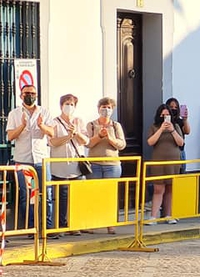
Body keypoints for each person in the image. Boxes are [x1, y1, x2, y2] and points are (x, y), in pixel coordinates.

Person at [6, 84, 54, 233]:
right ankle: (30, 227)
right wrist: (22, 125)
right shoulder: (14, 114)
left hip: (41, 159)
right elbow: (10, 136)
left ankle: (47, 227)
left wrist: (41, 126)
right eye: (27, 93)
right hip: (23, 160)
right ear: (21, 95)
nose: (30, 95)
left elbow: (51, 133)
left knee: (46, 193)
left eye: (33, 93)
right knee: (27, 195)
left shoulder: (44, 112)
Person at [48, 94, 89, 234]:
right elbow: (52, 142)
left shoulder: (79, 121)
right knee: (61, 197)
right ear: (61, 106)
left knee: (77, 196)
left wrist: (75, 133)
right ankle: (61, 225)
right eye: (67, 104)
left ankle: (75, 225)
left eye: (72, 104)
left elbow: (86, 141)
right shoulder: (54, 122)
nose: (69, 107)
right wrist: (68, 137)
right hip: (60, 167)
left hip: (76, 166)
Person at [86, 97, 127, 234]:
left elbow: (122, 145)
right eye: (103, 107)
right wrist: (99, 136)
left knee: (109, 194)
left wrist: (109, 138)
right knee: (94, 194)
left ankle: (110, 224)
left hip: (112, 165)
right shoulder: (91, 125)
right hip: (94, 164)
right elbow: (88, 143)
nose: (106, 110)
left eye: (109, 107)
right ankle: (92, 223)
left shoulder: (116, 126)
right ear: (98, 109)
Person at [146, 104, 184, 223]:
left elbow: (180, 142)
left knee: (170, 189)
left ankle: (168, 215)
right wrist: (161, 129)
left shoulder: (176, 126)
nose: (165, 117)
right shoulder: (154, 127)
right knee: (158, 189)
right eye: (163, 115)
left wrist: (172, 130)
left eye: (167, 115)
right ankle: (153, 216)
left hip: (173, 162)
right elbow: (150, 142)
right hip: (159, 162)